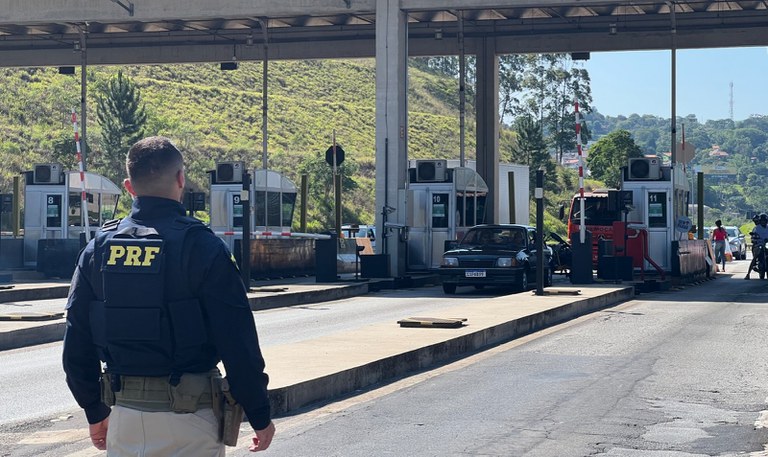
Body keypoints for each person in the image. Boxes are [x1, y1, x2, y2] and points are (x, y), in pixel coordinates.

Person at [62, 136, 275, 456]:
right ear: (180, 179)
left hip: (124, 419)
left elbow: (76, 341)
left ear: (128, 186)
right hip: (191, 420)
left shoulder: (98, 249)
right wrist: (259, 414)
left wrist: (94, 410)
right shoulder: (203, 247)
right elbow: (237, 341)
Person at [745, 213, 768, 279]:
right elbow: (753, 237)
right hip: (759, 245)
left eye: (765, 221)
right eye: (762, 221)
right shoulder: (756, 228)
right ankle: (748, 274)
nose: (763, 222)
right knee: (755, 257)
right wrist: (754, 239)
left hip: (766, 245)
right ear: (760, 221)